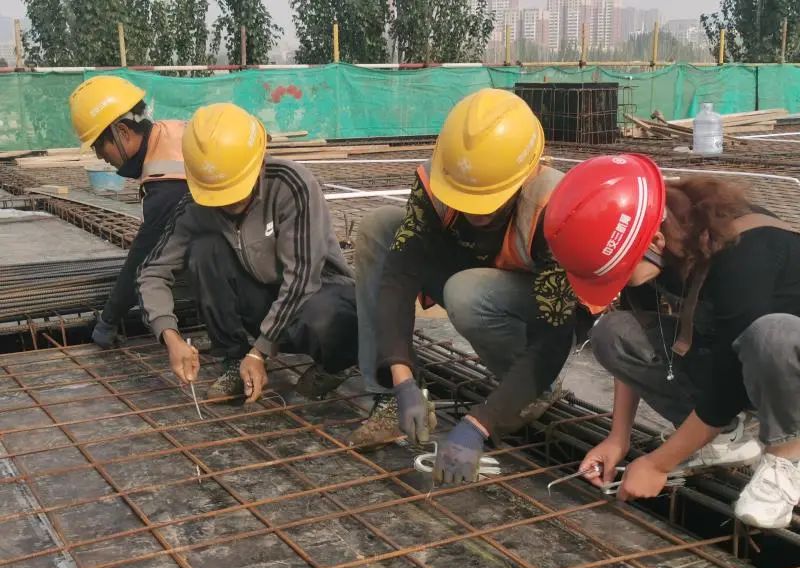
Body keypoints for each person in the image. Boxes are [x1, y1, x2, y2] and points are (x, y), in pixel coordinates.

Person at [544, 153, 800, 529]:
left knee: (771, 335)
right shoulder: (663, 248)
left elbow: (726, 386)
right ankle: (726, 439)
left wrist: (658, 463)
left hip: (786, 366)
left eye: (620, 273)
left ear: (656, 239)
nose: (617, 285)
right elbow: (654, 335)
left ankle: (786, 458)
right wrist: (619, 438)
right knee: (613, 332)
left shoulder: (745, 253)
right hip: (746, 369)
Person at [353, 88, 581, 483]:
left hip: (527, 308)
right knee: (379, 230)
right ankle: (390, 400)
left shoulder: (554, 206)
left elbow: (554, 336)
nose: (476, 211)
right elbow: (399, 275)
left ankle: (533, 390)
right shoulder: (438, 180)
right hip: (469, 275)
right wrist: (401, 377)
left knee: (466, 292)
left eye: (488, 200)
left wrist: (482, 422)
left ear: (525, 172)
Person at [137, 103, 358, 403]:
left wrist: (261, 350)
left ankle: (334, 365)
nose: (228, 204)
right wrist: (170, 337)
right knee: (204, 251)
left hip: (319, 297)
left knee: (332, 317)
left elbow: (303, 278)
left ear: (257, 163)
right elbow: (151, 272)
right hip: (264, 299)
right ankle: (233, 359)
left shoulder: (292, 185)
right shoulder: (196, 205)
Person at [69, 75, 188, 349]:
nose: (100, 156)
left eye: (100, 145)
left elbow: (142, 259)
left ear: (122, 132)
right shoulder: (168, 133)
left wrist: (108, 320)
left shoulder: (166, 182)